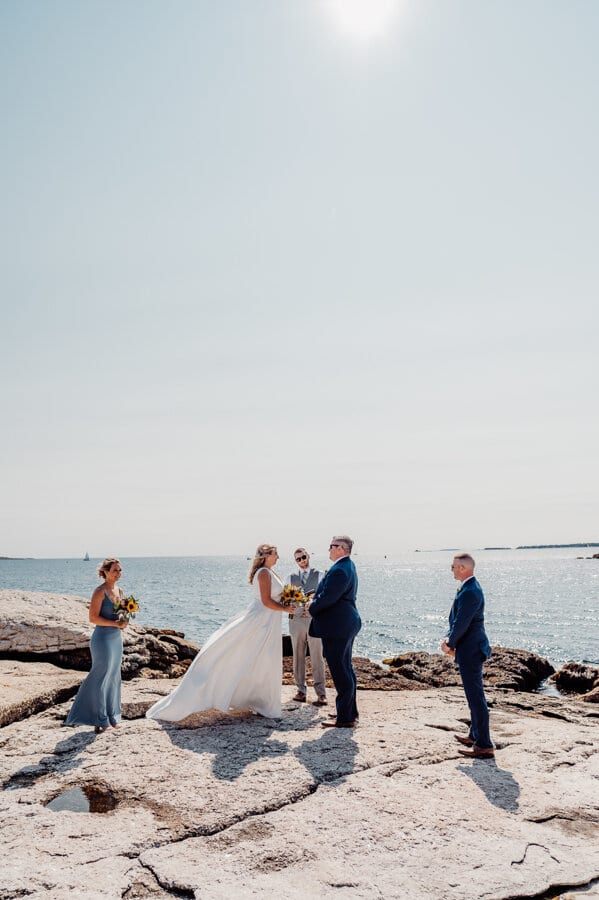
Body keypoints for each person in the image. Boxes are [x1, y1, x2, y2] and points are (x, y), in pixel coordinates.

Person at [146, 544, 290, 722]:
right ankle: (248, 698)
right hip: (260, 620)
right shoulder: (263, 573)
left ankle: (259, 700)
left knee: (262, 659)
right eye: (275, 554)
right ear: (265, 555)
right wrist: (286, 609)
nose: (278, 557)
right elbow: (266, 601)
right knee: (244, 654)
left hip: (269, 621)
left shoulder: (270, 571)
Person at [64, 557, 128, 733]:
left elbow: (122, 615)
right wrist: (116, 624)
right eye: (115, 570)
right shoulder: (99, 591)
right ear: (105, 572)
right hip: (102, 639)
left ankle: (112, 716)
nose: (118, 573)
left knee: (114, 676)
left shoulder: (120, 591)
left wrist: (124, 620)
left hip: (116, 639)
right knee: (100, 676)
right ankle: (98, 719)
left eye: (120, 570)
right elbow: (93, 618)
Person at [441, 553, 494, 758]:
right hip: (469, 646)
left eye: (453, 566)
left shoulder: (471, 591)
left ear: (463, 568)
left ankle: (484, 744)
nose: (451, 569)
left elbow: (463, 623)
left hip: (471, 648)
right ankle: (474, 734)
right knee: (473, 695)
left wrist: (450, 644)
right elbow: (457, 620)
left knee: (475, 696)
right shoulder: (469, 587)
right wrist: (449, 639)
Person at [308, 535, 361, 728]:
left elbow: (329, 597)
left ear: (341, 548)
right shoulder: (348, 565)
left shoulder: (340, 569)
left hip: (339, 625)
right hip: (345, 622)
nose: (329, 549)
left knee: (340, 670)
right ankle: (348, 712)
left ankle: (345, 718)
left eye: (332, 546)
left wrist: (311, 606)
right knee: (346, 668)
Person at [288, 548, 327, 706]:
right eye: (298, 559)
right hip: (296, 621)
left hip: (314, 620)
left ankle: (321, 693)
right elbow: (287, 599)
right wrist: (292, 607)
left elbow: (324, 597)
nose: (302, 561)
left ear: (308, 556)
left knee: (317, 655)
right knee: (297, 655)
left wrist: (313, 610)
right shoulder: (290, 577)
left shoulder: (320, 575)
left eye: (303, 557)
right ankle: (301, 690)